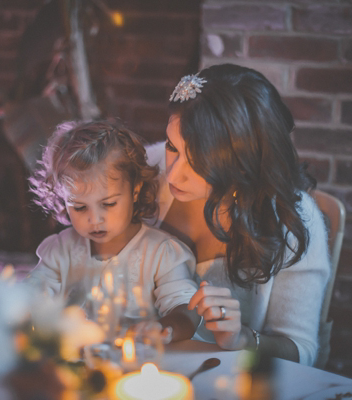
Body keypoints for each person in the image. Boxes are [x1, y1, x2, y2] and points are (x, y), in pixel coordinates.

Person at [146, 63, 330, 366]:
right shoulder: (149, 171)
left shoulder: (291, 220)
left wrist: (244, 338)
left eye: (198, 162)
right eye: (172, 146)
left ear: (243, 163)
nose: (173, 175)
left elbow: (301, 350)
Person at [28, 120, 200, 342]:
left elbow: (185, 308)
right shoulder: (62, 250)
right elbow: (31, 292)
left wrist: (163, 330)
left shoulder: (161, 254)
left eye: (108, 204)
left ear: (135, 191)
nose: (95, 219)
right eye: (79, 207)